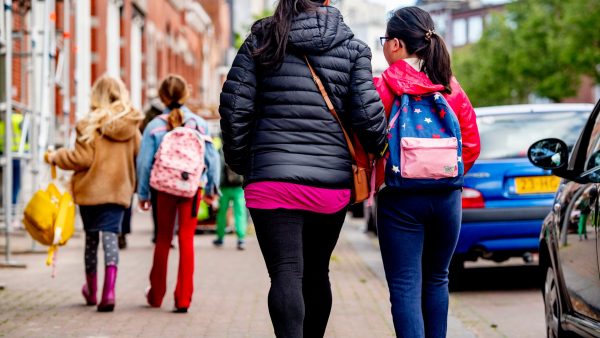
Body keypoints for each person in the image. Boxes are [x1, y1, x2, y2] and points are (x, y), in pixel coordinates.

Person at [219, 0, 387, 336]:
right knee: (316, 273)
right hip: (330, 185)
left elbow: (234, 106)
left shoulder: (262, 39)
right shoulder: (353, 48)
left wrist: (241, 163)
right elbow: (369, 119)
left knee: (285, 272)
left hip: (270, 180)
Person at [374, 7, 481, 337]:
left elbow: (370, 142)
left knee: (405, 286)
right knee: (437, 279)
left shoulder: (384, 87)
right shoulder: (449, 86)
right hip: (447, 199)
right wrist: (445, 175)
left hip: (400, 199)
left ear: (394, 44)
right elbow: (472, 143)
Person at [45, 76, 143, 312]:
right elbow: (139, 159)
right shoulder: (131, 127)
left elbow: (82, 159)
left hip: (90, 192)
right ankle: (108, 293)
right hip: (119, 192)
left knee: (91, 240)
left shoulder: (88, 125)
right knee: (110, 238)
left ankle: (91, 291)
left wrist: (55, 157)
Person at [137, 74, 220, 313]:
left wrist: (143, 194)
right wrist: (212, 188)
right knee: (186, 240)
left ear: (162, 96)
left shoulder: (154, 126)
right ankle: (183, 298)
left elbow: (144, 164)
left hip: (163, 190)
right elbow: (211, 158)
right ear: (185, 95)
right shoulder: (199, 124)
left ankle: (156, 295)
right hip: (192, 189)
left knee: (163, 240)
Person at [213, 144, 248, 250]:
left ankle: (220, 238)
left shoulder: (222, 149)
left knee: (222, 212)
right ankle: (241, 239)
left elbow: (218, 168)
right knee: (240, 212)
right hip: (239, 187)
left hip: (225, 187)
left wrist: (217, 185)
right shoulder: (243, 147)